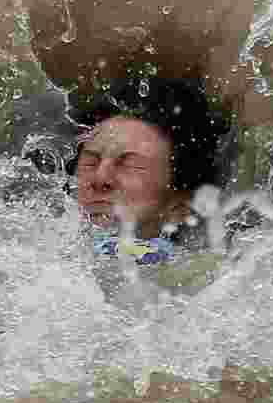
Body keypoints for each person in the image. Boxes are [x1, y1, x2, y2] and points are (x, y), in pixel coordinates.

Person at [63, 76, 235, 264]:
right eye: (91, 161)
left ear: (181, 206)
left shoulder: (205, 274)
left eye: (129, 164)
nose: (100, 178)